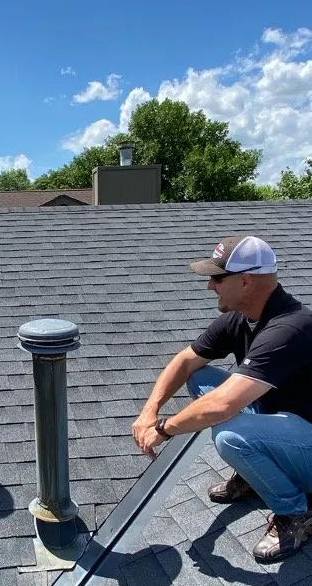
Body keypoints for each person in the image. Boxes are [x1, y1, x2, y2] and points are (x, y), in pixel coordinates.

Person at [133, 235, 312, 563]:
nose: (210, 287)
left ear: (245, 281)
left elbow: (222, 406)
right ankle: (257, 475)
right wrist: (149, 410)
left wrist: (163, 428)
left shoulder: (289, 328)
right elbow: (185, 361)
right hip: (285, 427)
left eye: (217, 278)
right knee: (200, 377)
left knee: (231, 435)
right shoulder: (242, 317)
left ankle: (297, 513)